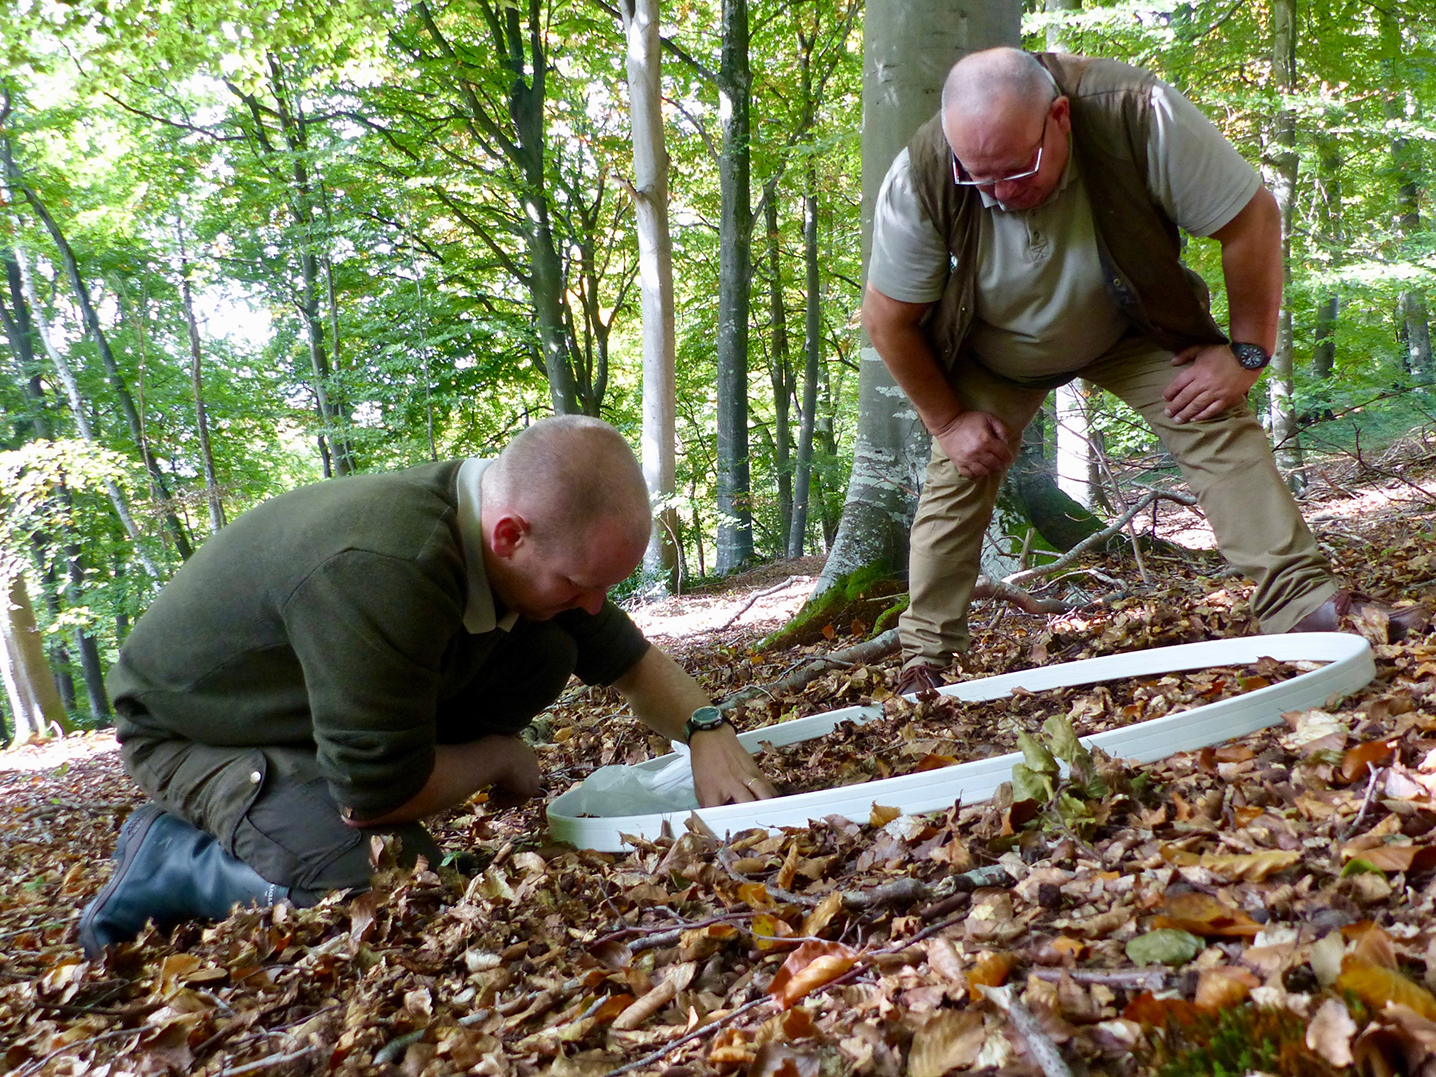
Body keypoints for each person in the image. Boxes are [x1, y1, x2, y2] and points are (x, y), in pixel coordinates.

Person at [80, 416, 776, 957]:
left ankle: (305, 795)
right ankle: (172, 858)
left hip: (309, 712)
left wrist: (706, 728)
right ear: (510, 535)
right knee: (379, 878)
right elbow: (375, 797)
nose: (596, 603)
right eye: (580, 582)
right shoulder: (390, 569)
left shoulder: (528, 554)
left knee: (552, 641)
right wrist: (499, 757)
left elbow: (631, 662)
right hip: (196, 733)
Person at [864, 47, 1423, 695]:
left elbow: (1251, 219)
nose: (1000, 194)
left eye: (1017, 171)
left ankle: (1309, 606)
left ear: (1061, 118)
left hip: (1130, 323)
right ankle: (924, 660)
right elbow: (887, 320)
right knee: (957, 473)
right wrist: (951, 419)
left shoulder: (1135, 112)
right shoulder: (924, 175)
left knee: (1211, 416)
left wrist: (1246, 353)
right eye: (979, 179)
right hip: (995, 351)